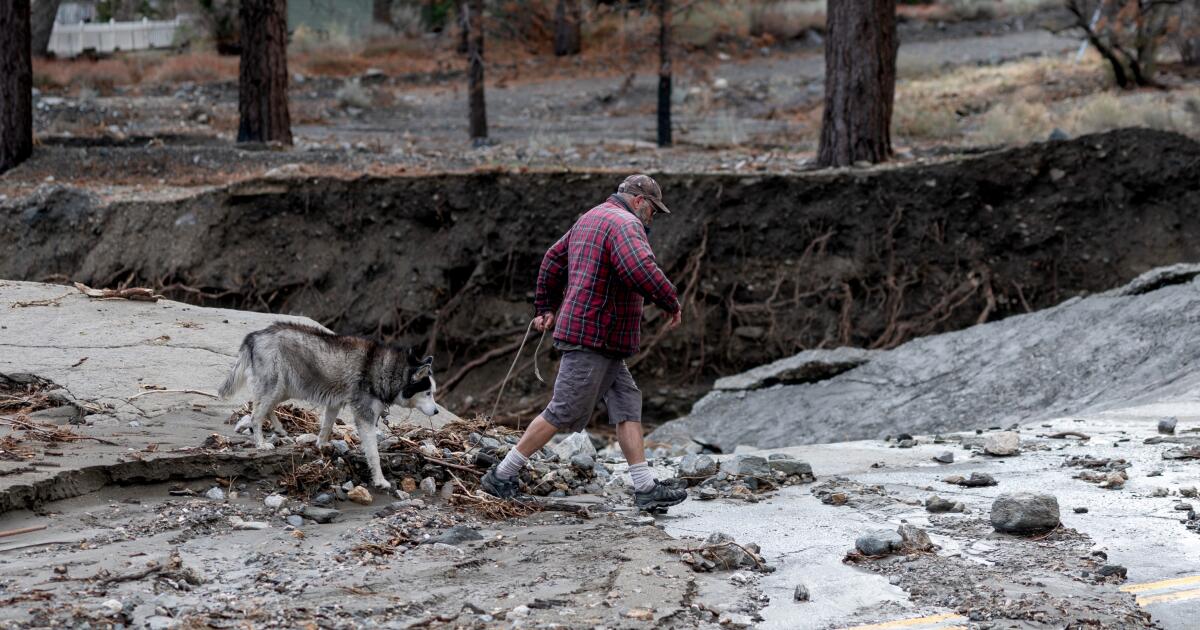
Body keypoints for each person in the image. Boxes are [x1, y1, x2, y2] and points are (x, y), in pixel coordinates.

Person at [481, 174, 688, 512]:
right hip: (591, 336)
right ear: (639, 201)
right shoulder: (625, 224)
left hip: (603, 339)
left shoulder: (591, 217)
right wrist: (670, 301)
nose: (653, 218)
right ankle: (501, 475)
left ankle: (645, 486)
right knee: (564, 409)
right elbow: (639, 267)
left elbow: (552, 258)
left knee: (626, 403)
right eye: (653, 210)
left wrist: (545, 306)